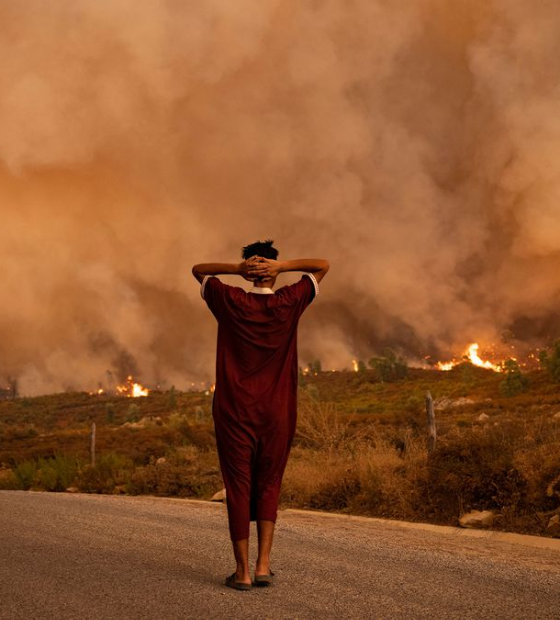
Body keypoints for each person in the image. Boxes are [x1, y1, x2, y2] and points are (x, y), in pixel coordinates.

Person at [191, 239, 329, 590]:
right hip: (277, 411)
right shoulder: (290, 301)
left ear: (250, 271)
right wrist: (282, 269)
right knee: (269, 483)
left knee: (238, 486)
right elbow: (322, 265)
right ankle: (264, 566)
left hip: (234, 410)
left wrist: (237, 270)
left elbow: (198, 270)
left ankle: (242, 573)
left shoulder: (230, 300)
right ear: (271, 268)